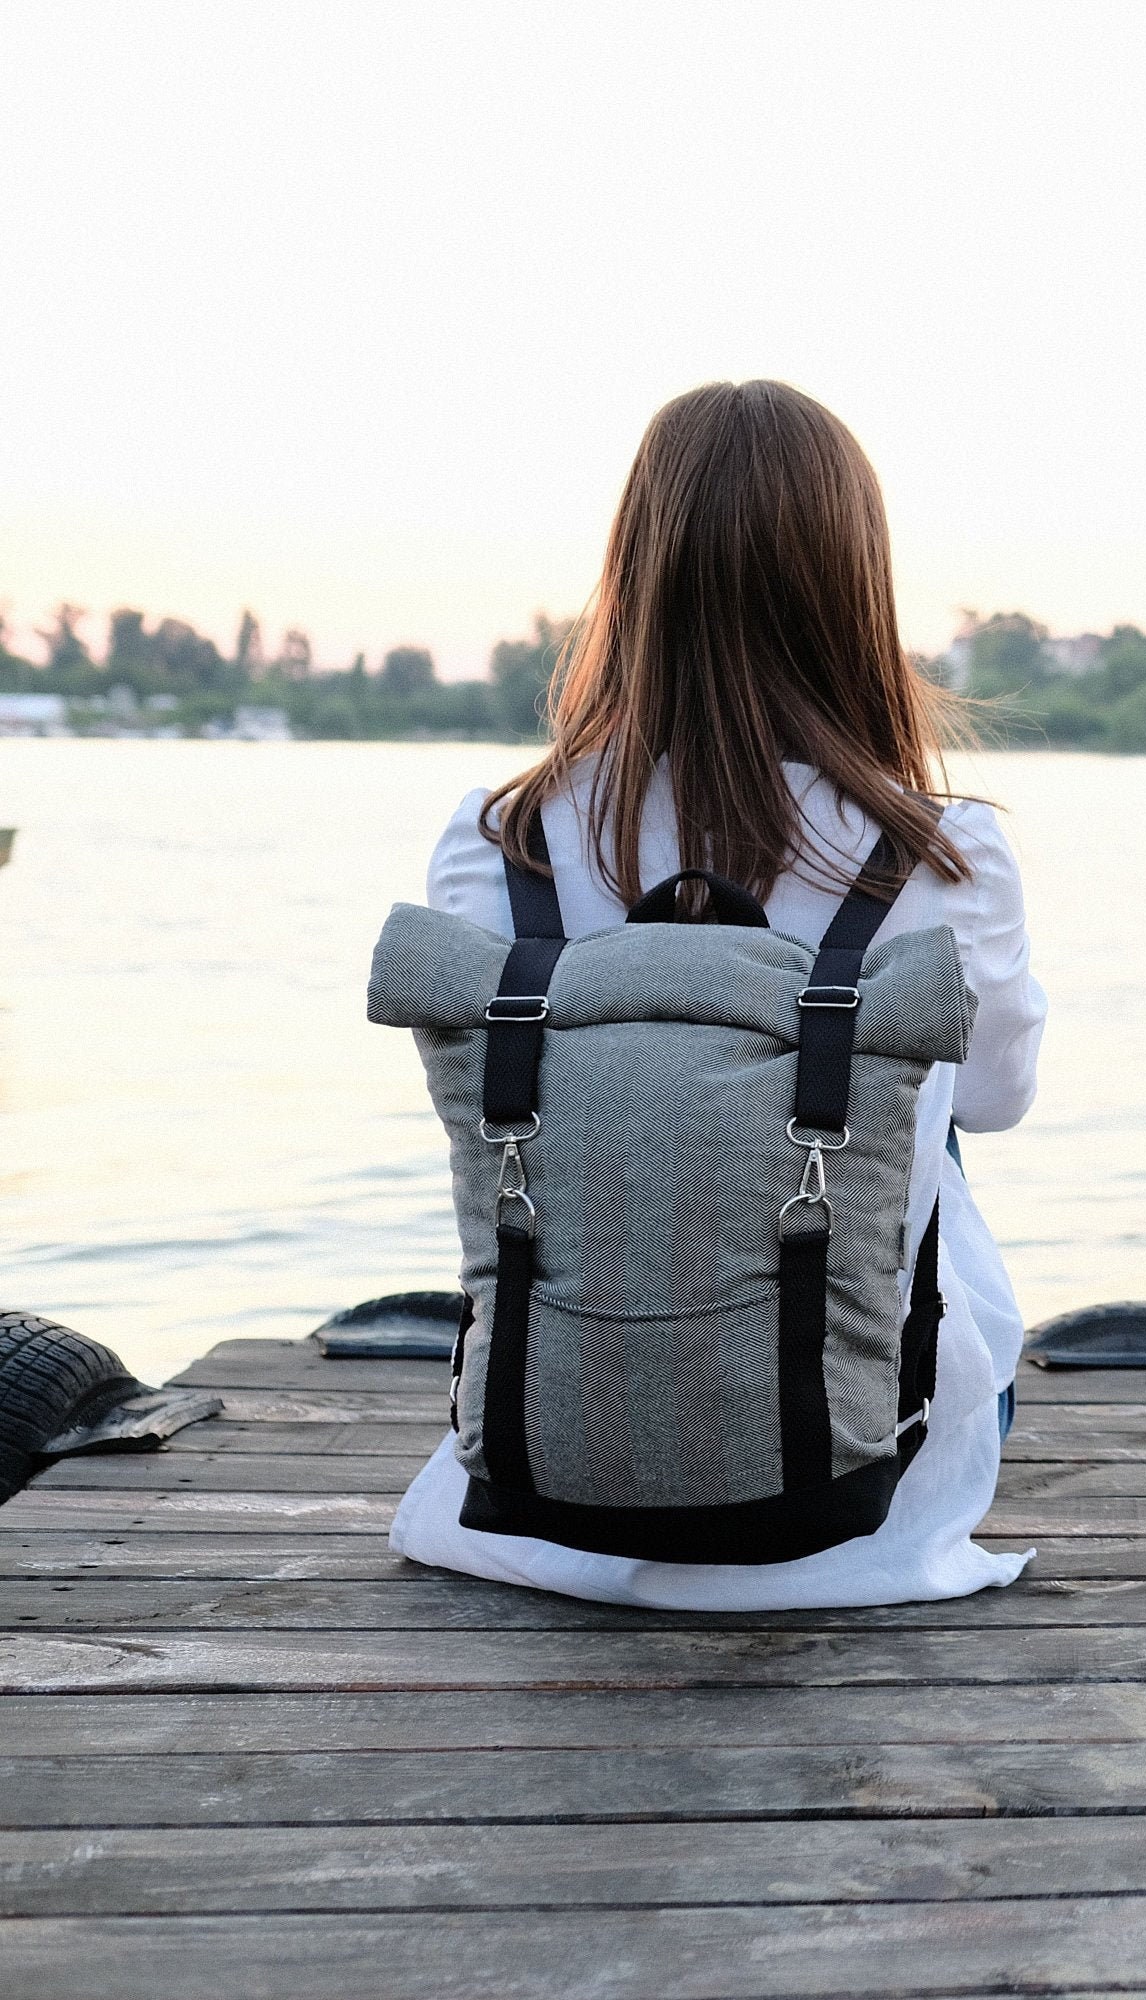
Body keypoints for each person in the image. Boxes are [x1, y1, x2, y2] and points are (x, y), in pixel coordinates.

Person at [387, 380, 1046, 1608]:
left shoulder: (500, 840)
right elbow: (998, 1099)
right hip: (859, 1501)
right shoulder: (947, 855)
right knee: (916, 1106)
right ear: (854, 589)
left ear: (633, 574)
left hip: (541, 1481)